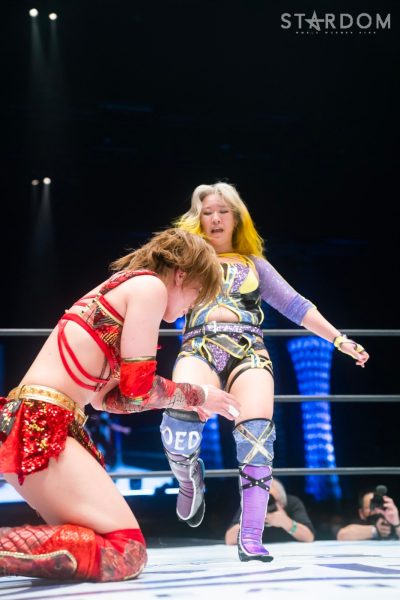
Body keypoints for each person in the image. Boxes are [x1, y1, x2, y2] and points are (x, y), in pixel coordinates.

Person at [0, 228, 240, 582]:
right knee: (125, 551)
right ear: (181, 274)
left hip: (41, 423)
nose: (191, 307)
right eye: (197, 293)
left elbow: (110, 401)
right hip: (41, 423)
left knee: (112, 548)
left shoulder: (125, 290)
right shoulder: (149, 287)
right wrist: (200, 395)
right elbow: (139, 388)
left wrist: (182, 400)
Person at [159, 182, 369, 563]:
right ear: (198, 219)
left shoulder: (254, 264)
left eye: (223, 211)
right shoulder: (186, 263)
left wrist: (339, 340)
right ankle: (189, 478)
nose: (216, 218)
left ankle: (251, 536)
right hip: (200, 346)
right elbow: (159, 304)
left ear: (236, 218)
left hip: (248, 350)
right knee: (179, 420)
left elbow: (296, 305)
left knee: (257, 437)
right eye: (208, 212)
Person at [225, 478, 314, 544]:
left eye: (270, 499)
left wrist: (287, 523)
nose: (265, 504)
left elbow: (309, 537)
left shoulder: (292, 503)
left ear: (282, 502)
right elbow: (229, 539)